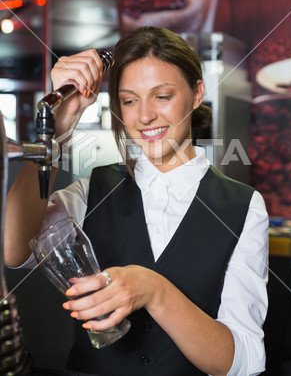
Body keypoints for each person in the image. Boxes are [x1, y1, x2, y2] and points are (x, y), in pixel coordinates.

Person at [5, 27, 268, 375]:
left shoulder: (244, 206)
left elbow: (244, 360)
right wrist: (62, 122)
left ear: (196, 94)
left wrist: (155, 291)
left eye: (162, 96)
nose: (144, 116)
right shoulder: (90, 191)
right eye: (129, 100)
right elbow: (14, 250)